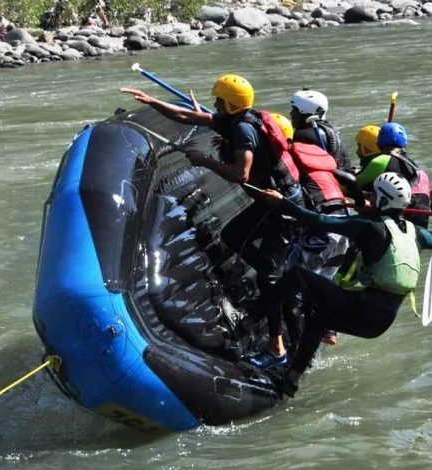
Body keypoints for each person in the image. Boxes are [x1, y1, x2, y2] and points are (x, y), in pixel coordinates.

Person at [120, 75, 304, 365]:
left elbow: (240, 174)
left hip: (280, 208)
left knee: (269, 278)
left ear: (231, 105)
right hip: (266, 204)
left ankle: (277, 347)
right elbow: (187, 116)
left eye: (219, 101)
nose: (215, 105)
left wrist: (205, 161)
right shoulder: (235, 120)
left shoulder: (243, 129)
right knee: (232, 236)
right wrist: (152, 101)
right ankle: (275, 280)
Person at [258, 172, 432, 397]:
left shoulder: (369, 226)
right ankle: (292, 379)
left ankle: (253, 318)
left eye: (374, 194)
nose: (370, 197)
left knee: (299, 275)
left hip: (362, 310)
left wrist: (283, 203)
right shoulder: (416, 233)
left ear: (382, 199)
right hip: (380, 324)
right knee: (318, 317)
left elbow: (320, 221)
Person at [247, 112, 350, 368]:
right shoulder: (311, 156)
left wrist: (280, 202)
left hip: (321, 234)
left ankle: (286, 353)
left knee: (291, 289)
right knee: (318, 289)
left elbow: (297, 204)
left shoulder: (288, 163)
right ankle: (322, 335)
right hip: (342, 228)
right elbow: (345, 180)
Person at [354, 122, 432, 227]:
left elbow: (352, 184)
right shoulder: (420, 171)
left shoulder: (382, 160)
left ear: (378, 144)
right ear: (404, 143)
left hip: (394, 226)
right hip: (420, 230)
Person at [290, 89, 352, 172]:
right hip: (345, 177)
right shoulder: (334, 131)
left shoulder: (303, 135)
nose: (291, 113)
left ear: (305, 112)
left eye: (294, 110)